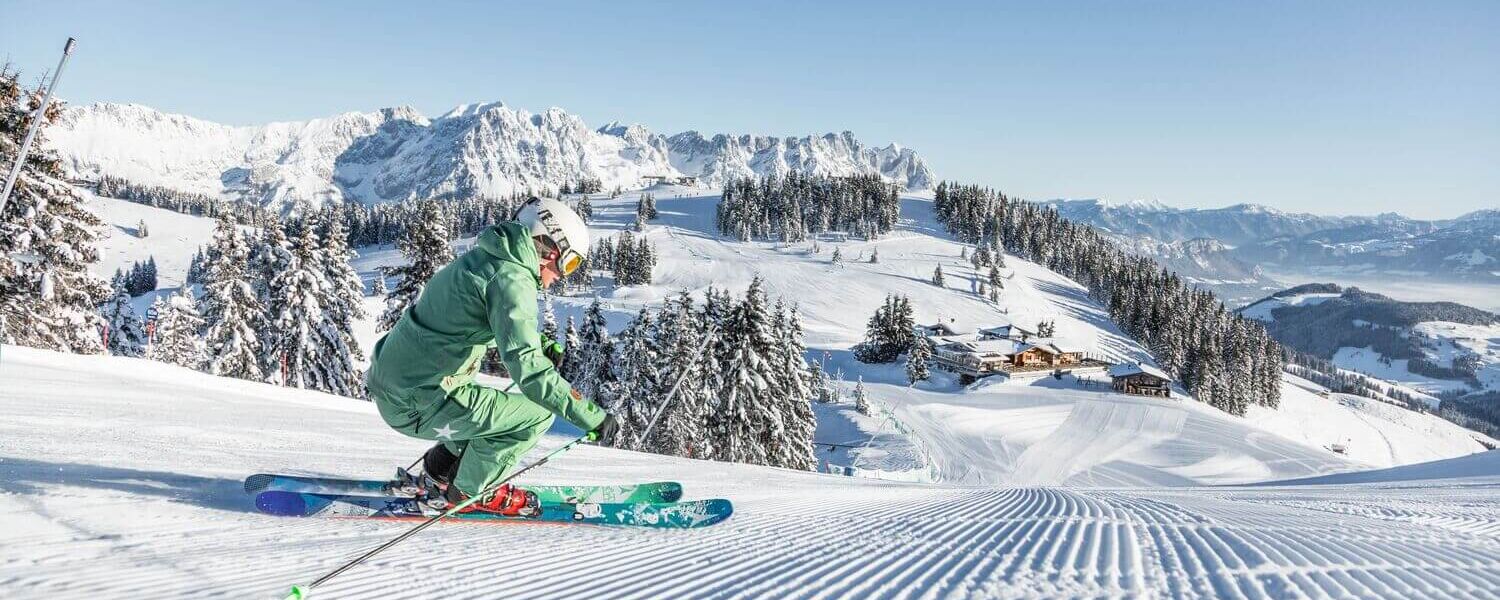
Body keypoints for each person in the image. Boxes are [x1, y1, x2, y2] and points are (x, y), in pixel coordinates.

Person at [366, 197, 618, 517]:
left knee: (492, 411)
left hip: (398, 387)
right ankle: (472, 491)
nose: (561, 276)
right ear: (550, 247)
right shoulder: (512, 278)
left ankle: (439, 472)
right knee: (536, 414)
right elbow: (530, 371)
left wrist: (536, 345)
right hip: (419, 402)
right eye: (568, 264)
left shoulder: (486, 259)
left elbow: (479, 320)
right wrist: (592, 416)